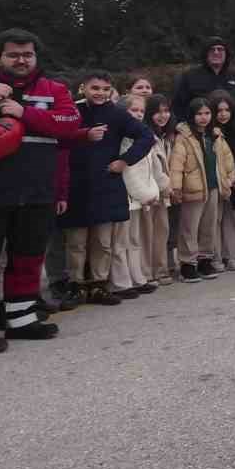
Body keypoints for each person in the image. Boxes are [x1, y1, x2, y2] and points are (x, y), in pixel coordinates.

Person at [58, 72, 155, 305]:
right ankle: (76, 285)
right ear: (83, 88)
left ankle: (99, 285)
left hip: (106, 182)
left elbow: (146, 136)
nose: (100, 93)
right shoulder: (72, 111)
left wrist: (124, 161)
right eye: (95, 88)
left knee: (103, 241)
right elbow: (59, 139)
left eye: (104, 88)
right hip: (76, 184)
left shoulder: (117, 114)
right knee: (77, 242)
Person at [167, 97, 235, 283]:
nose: (203, 118)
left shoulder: (215, 135)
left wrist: (230, 178)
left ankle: (205, 259)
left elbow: (227, 158)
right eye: (199, 114)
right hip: (193, 189)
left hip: (213, 187)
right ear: (192, 115)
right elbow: (176, 164)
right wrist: (176, 187)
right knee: (189, 227)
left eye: (207, 113)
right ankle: (187, 264)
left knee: (209, 225)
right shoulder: (184, 137)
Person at [115, 93, 163, 297]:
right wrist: (145, 194)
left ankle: (138, 277)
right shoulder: (122, 138)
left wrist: (151, 191)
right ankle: (121, 282)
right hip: (125, 197)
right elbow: (130, 171)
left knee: (135, 240)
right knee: (120, 242)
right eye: (133, 110)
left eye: (141, 111)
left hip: (139, 198)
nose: (138, 114)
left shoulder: (142, 135)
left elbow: (149, 169)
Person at [208, 92, 235, 272]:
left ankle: (232, 255)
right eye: (219, 110)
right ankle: (216, 257)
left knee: (233, 221)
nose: (223, 114)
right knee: (214, 220)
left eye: (227, 110)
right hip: (215, 183)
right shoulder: (208, 133)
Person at [170, 36, 235, 124]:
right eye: (212, 49)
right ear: (205, 53)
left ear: (226, 53)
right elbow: (177, 106)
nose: (216, 52)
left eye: (220, 49)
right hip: (199, 130)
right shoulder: (189, 76)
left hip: (232, 130)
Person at [142, 95, 177, 286]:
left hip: (163, 193)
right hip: (151, 192)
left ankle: (160, 269)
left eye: (166, 111)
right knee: (150, 234)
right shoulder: (148, 135)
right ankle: (150, 272)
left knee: (162, 232)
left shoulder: (167, 135)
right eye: (157, 112)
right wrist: (168, 187)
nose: (162, 116)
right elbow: (155, 168)